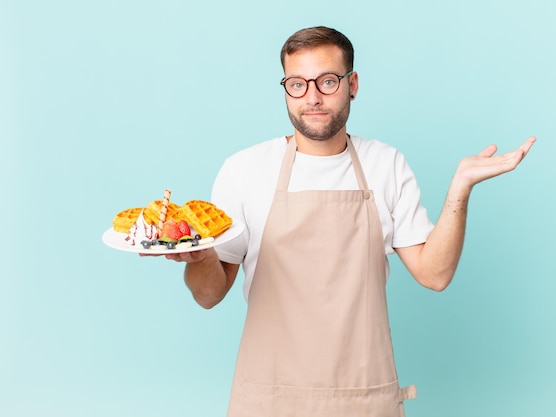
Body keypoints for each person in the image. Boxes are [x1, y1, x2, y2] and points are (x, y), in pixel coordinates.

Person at [165, 26, 535, 417]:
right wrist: (200, 256)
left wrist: (460, 188)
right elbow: (209, 295)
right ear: (285, 89)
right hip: (270, 398)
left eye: (327, 81)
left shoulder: (385, 164)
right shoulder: (244, 170)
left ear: (352, 84)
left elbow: (435, 274)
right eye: (297, 84)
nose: (312, 97)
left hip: (363, 398)